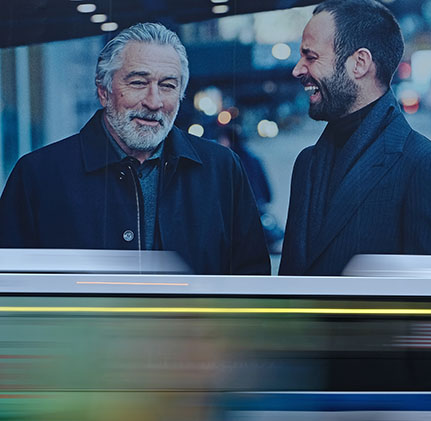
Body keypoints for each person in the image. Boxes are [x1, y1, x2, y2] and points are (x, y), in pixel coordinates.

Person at [0, 23, 270, 275]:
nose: (154, 102)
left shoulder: (221, 170)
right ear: (104, 91)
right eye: (138, 83)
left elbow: (252, 283)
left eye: (167, 86)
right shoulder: (38, 176)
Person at [279, 0, 431, 276]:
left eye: (311, 57)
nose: (297, 69)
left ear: (360, 63)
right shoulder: (306, 163)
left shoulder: (428, 168)